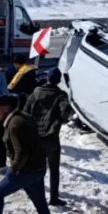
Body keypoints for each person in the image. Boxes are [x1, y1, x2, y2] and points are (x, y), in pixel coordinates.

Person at [24, 68, 73, 206]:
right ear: (58, 80)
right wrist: (59, 121)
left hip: (35, 137)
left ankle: (35, 194)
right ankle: (54, 198)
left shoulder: (35, 92)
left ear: (47, 78)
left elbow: (25, 112)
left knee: (35, 167)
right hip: (51, 139)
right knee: (53, 169)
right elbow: (66, 109)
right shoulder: (60, 95)